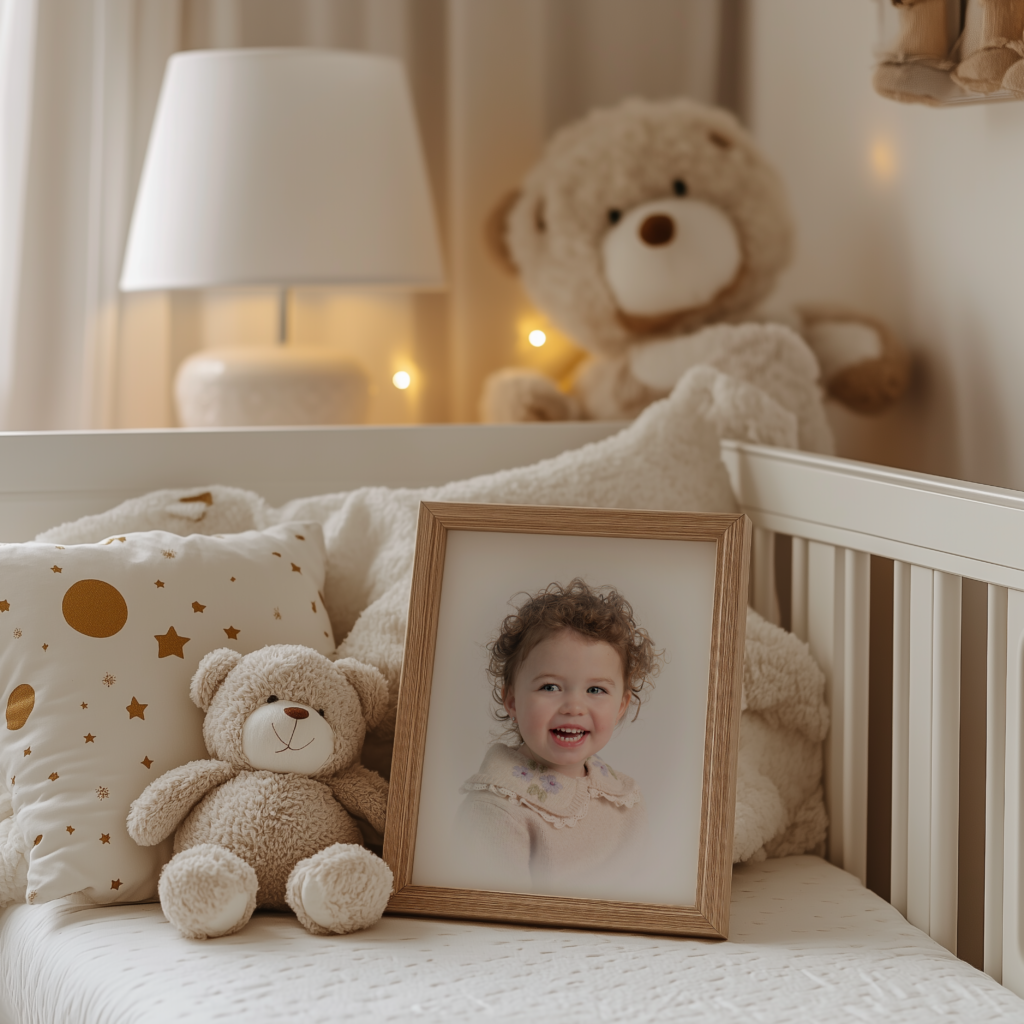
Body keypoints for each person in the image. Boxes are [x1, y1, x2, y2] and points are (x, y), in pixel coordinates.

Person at [455, 578, 660, 897]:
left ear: (621, 706)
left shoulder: (625, 799)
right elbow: (495, 917)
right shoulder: (497, 810)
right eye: (550, 687)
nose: (574, 707)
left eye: (596, 690)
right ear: (511, 700)